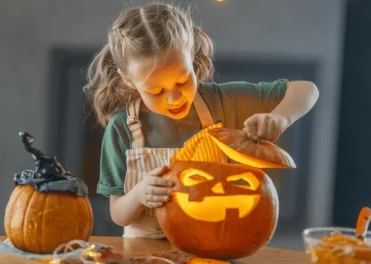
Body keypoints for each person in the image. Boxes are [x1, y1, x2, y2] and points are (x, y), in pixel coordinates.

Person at [83, 3, 319, 239]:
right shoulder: (122, 127)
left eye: (183, 80)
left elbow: (307, 90)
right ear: (129, 80)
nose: (174, 98)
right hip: (144, 250)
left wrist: (279, 117)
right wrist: (139, 195)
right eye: (156, 91)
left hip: (214, 244)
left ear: (193, 58)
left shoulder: (223, 101)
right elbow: (118, 213)